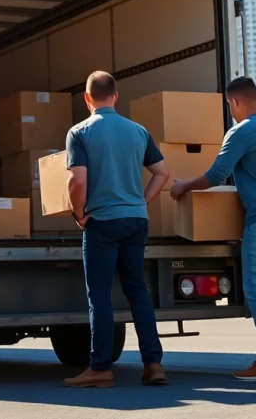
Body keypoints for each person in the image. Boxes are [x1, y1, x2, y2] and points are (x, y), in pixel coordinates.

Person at [169, 77, 256, 380]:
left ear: (235, 102)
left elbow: (217, 174)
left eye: (230, 106)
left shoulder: (241, 132)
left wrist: (184, 186)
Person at [63, 71, 170, 388]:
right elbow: (162, 173)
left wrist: (79, 213)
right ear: (116, 96)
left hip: (103, 222)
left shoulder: (80, 132)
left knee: (100, 296)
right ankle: (153, 363)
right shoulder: (138, 131)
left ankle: (100, 367)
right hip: (136, 221)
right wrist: (141, 201)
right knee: (138, 291)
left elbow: (77, 180)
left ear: (87, 99)